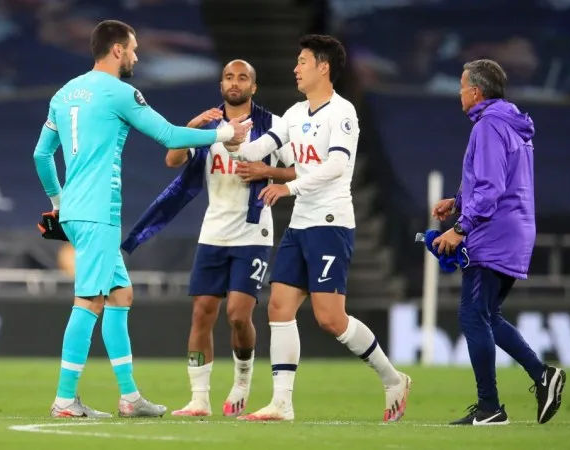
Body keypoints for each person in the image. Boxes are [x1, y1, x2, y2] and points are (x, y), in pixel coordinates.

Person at [33, 19, 250, 418]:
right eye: (132, 49)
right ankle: (65, 399)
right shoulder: (120, 92)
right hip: (98, 211)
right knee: (89, 300)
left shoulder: (64, 94)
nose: (135, 56)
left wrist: (58, 202)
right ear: (117, 50)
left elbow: (41, 155)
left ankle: (130, 398)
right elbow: (168, 136)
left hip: (79, 210)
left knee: (120, 295)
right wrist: (224, 135)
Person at [223, 34, 411, 422]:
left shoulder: (341, 113)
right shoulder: (295, 113)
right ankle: (282, 403)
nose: (295, 68)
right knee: (278, 306)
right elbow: (262, 148)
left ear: (323, 67)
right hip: (300, 223)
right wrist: (232, 140)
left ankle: (393, 378)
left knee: (330, 318)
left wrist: (288, 186)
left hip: (330, 223)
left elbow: (336, 166)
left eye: (302, 62)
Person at [432, 59, 566, 426]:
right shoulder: (510, 122)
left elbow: (490, 189)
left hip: (494, 232)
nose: (459, 92)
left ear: (476, 91)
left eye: (462, 86)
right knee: (488, 314)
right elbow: (494, 178)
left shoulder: (489, 126)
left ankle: (490, 407)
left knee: (472, 315)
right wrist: (458, 201)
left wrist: (460, 228)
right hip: (515, 228)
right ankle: (542, 376)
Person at [161, 60, 296, 417]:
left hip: (254, 231)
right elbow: (172, 160)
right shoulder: (209, 125)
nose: (234, 83)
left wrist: (268, 172)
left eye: (243, 78)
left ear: (254, 86)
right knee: (202, 313)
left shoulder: (274, 126)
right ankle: (199, 398)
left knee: (238, 315)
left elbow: (299, 171)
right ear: (221, 84)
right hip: (213, 231)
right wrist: (190, 127)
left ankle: (242, 378)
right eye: (228, 77)